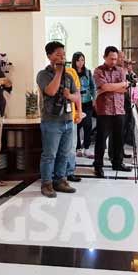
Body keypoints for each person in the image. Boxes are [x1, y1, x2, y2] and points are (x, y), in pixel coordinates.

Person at [36, 41, 80, 197]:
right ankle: (46, 184)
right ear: (49, 56)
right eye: (58, 54)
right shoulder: (43, 75)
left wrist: (71, 97)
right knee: (50, 155)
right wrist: (59, 72)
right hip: (51, 122)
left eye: (63, 54)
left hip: (67, 120)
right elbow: (51, 91)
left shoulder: (69, 75)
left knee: (64, 153)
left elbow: (77, 96)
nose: (62, 57)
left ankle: (60, 180)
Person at [93, 46, 132, 178]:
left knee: (119, 138)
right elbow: (104, 86)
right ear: (104, 57)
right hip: (104, 110)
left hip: (119, 109)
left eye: (116, 59)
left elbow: (124, 90)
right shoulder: (98, 71)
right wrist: (119, 85)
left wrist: (110, 88)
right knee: (101, 140)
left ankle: (118, 162)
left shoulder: (121, 70)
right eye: (111, 59)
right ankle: (98, 166)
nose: (114, 61)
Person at [64, 58, 83, 183]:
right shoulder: (48, 74)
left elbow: (77, 95)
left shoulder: (71, 72)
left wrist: (79, 112)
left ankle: (70, 171)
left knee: (71, 146)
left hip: (71, 115)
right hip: (54, 117)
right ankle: (58, 174)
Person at [74, 52, 95, 157]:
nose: (81, 62)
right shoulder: (71, 72)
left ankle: (86, 148)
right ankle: (78, 148)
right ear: (74, 61)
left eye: (82, 60)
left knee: (88, 125)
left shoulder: (88, 72)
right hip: (75, 103)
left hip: (87, 102)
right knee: (77, 125)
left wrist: (94, 98)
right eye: (78, 60)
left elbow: (92, 86)